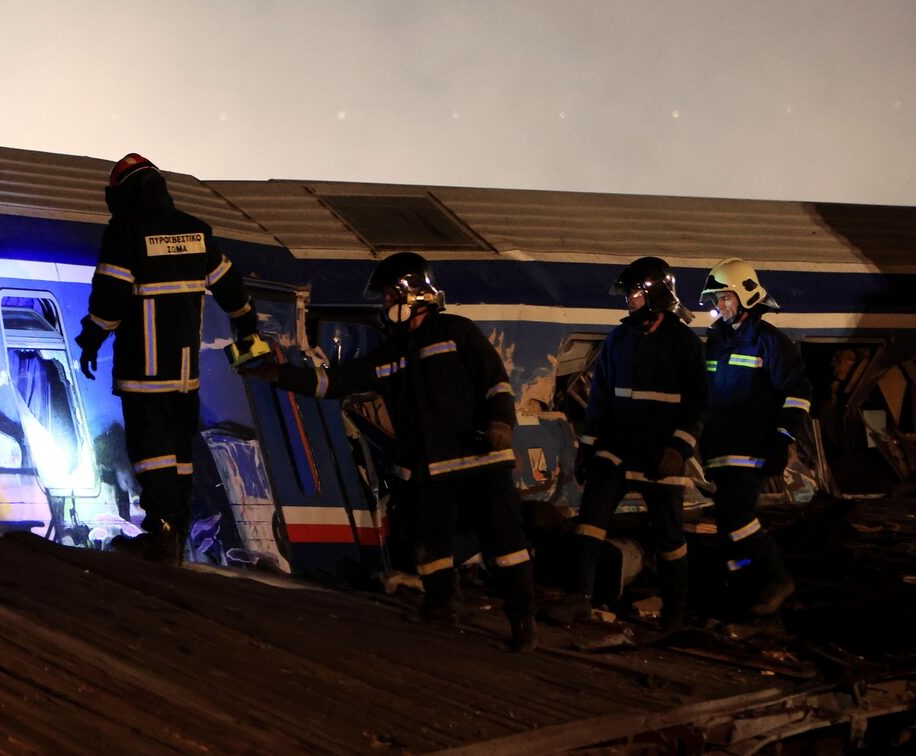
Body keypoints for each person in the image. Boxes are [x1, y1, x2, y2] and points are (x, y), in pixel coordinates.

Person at [241, 252, 537, 652]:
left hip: (481, 461)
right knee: (429, 544)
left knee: (506, 544)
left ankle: (522, 621)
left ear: (409, 292)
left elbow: (496, 382)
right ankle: (441, 607)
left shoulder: (457, 332)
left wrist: (501, 422)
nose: (384, 303)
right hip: (430, 468)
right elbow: (335, 382)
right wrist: (278, 374)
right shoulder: (391, 353)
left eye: (387, 295)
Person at [76, 153, 258, 563]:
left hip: (144, 370)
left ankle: (160, 532)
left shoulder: (125, 233)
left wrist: (91, 339)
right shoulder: (196, 232)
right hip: (184, 374)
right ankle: (175, 528)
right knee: (179, 453)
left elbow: (110, 300)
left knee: (151, 451)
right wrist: (247, 324)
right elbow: (230, 286)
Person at [564, 257, 708, 632]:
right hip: (616, 449)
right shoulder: (619, 340)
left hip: (661, 454)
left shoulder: (685, 344)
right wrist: (587, 449)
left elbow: (697, 404)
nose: (629, 299)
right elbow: (599, 401)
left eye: (635, 293)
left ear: (657, 294)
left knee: (669, 536)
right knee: (590, 521)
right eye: (628, 293)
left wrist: (679, 448)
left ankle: (675, 610)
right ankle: (578, 600)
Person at [699, 258, 808, 615]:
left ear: (746, 296)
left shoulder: (769, 342)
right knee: (726, 526)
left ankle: (777, 579)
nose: (720, 305)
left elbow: (799, 392)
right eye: (716, 298)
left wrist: (783, 437)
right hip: (719, 451)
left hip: (753, 450)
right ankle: (743, 587)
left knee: (737, 518)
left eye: (726, 297)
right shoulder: (714, 343)